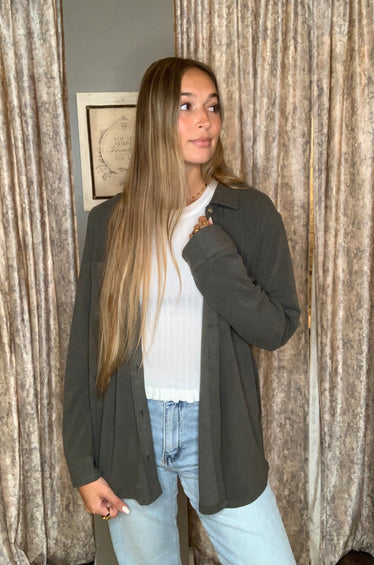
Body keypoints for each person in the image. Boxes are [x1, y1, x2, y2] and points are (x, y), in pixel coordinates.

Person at [63, 57, 300, 565]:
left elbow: (276, 328)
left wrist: (212, 254)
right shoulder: (110, 223)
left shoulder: (249, 213)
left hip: (218, 427)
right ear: (155, 118)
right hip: (130, 431)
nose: (204, 121)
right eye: (186, 107)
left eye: (212, 107)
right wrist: (82, 465)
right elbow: (85, 352)